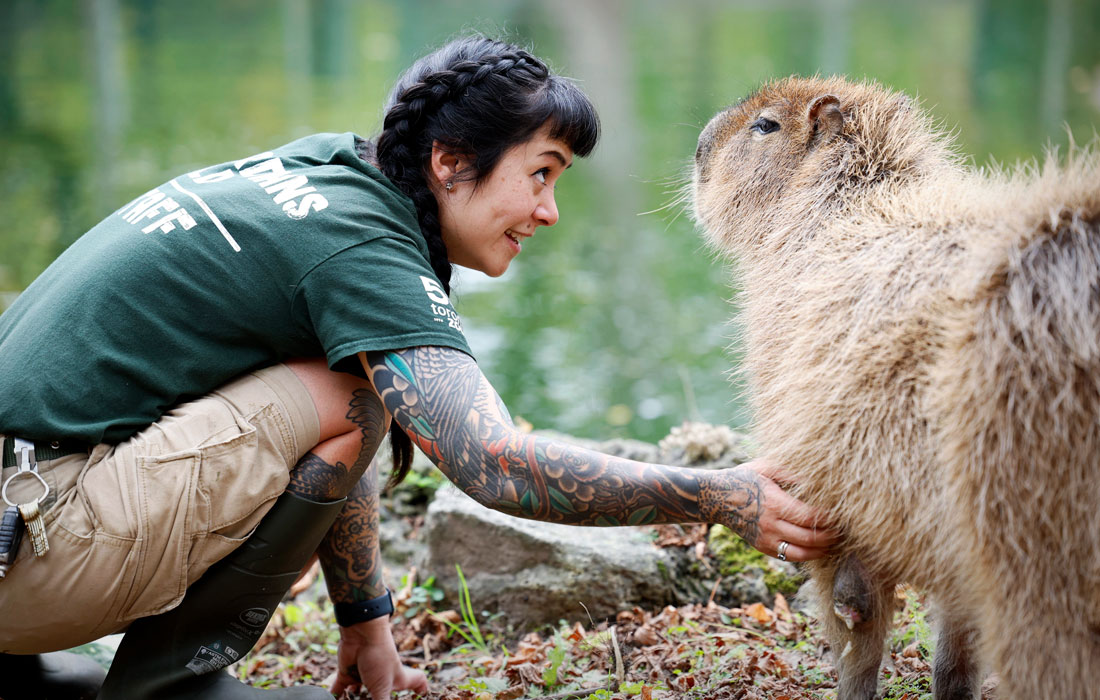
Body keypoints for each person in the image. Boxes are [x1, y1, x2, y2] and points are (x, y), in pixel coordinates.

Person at [0, 35, 838, 699]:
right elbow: (495, 464)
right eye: (540, 175)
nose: (548, 211)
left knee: (343, 386)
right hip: (35, 550)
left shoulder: (322, 172)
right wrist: (716, 494)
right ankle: (169, 686)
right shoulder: (364, 250)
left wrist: (367, 624)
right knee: (348, 397)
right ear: (448, 161)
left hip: (18, 528)